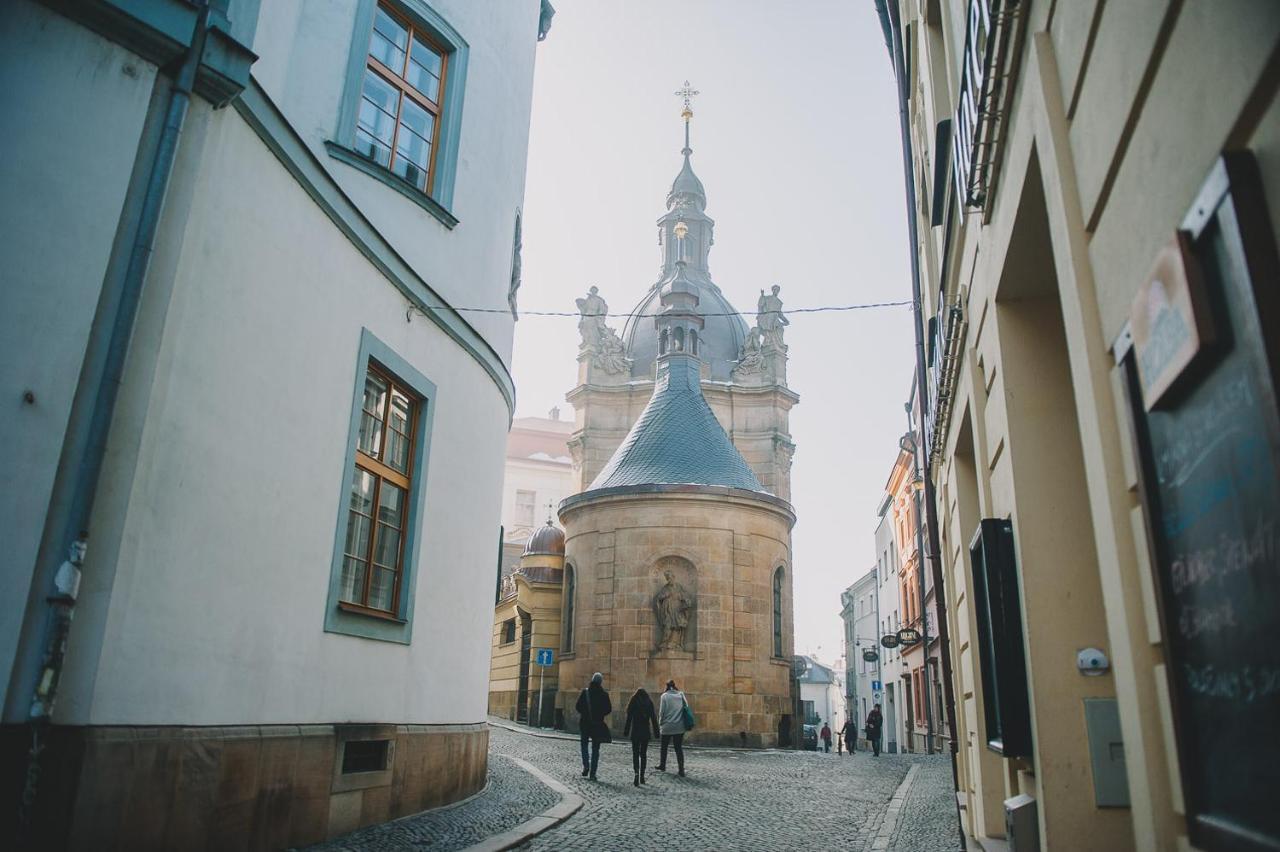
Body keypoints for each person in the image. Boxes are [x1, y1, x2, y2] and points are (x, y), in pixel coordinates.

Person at [575, 672, 612, 780]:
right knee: (596, 749)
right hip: (597, 724)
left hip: (585, 723)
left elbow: (578, 707)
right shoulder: (604, 694)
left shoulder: (585, 692)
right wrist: (600, 715)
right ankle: (593, 773)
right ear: (601, 682)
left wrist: (585, 713)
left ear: (592, 680)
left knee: (584, 744)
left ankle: (586, 765)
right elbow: (608, 709)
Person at [623, 687, 660, 787]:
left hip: (635, 731)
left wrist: (626, 731)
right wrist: (657, 732)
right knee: (643, 754)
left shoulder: (633, 701)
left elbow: (629, 718)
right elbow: (653, 718)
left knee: (635, 754)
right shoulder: (649, 703)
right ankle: (642, 776)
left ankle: (636, 773)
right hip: (645, 732)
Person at [657, 680, 689, 776]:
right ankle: (681, 769)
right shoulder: (681, 694)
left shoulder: (664, 696)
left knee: (664, 747)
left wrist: (660, 723)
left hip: (667, 726)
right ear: (674, 686)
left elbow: (661, 712)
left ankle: (662, 765)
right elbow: (686, 707)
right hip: (679, 726)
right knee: (678, 748)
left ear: (666, 687)